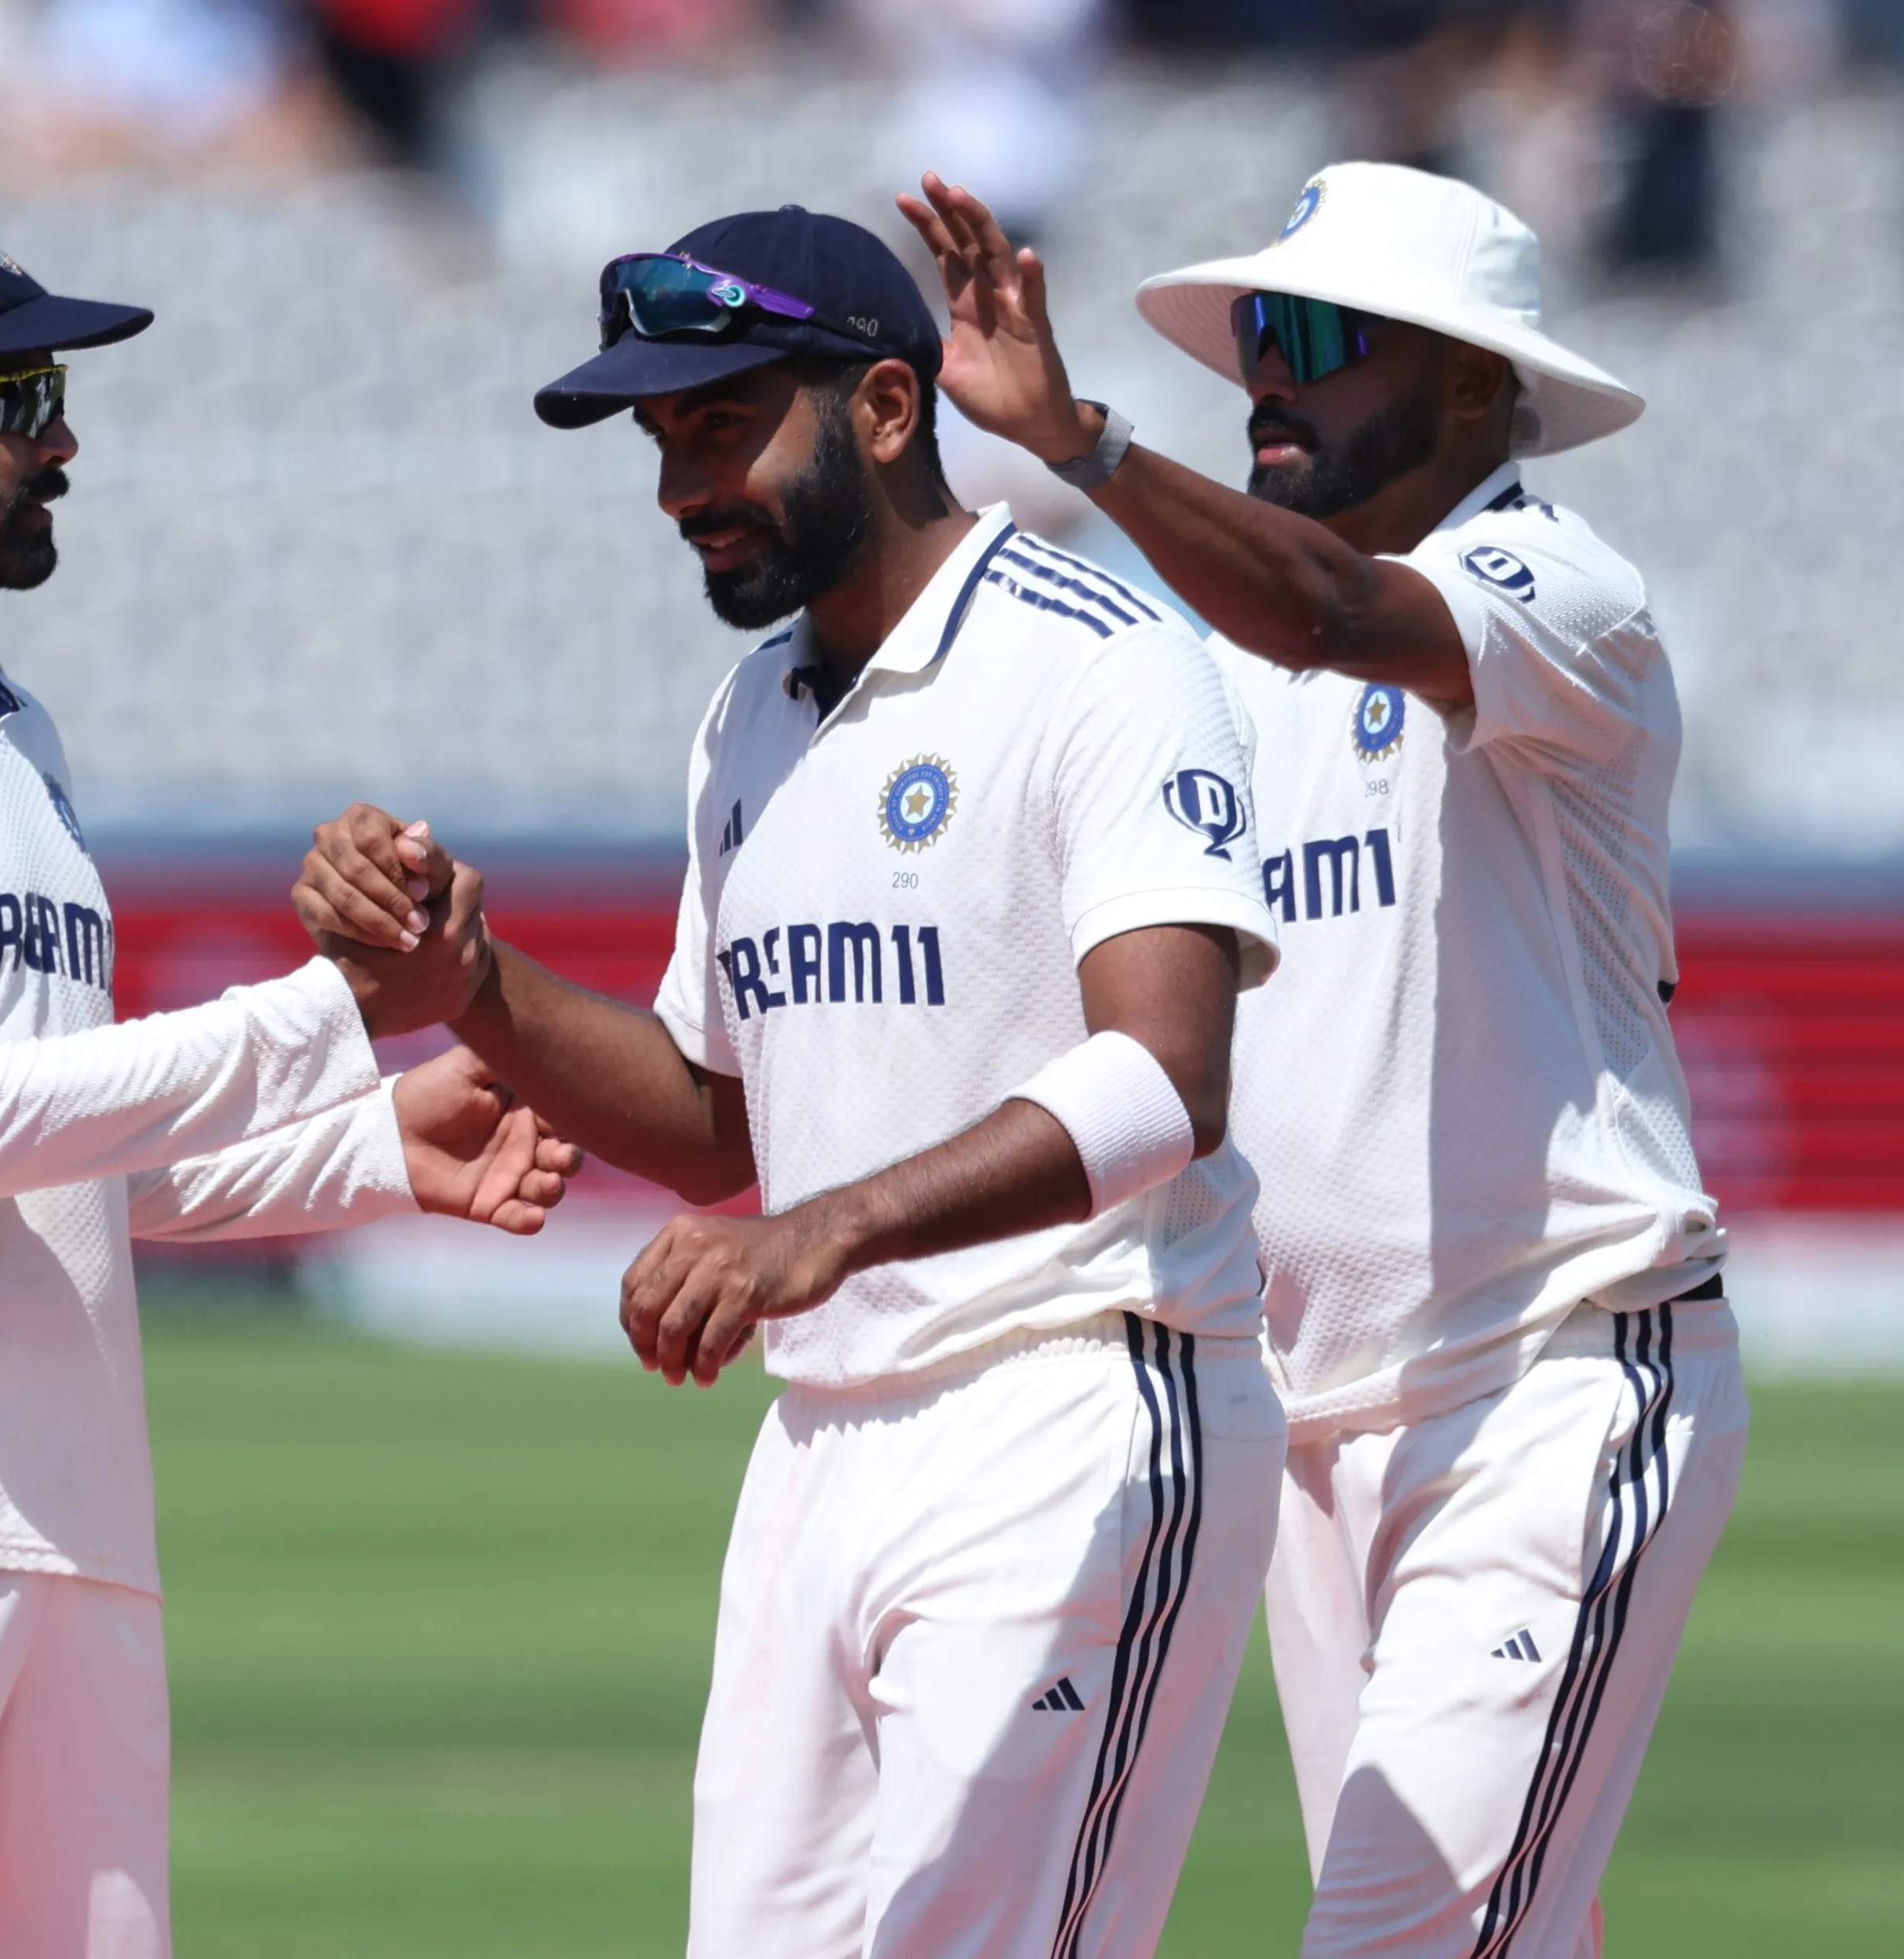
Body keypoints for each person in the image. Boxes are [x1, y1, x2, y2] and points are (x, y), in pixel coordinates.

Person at [295, 206, 1289, 1958]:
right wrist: (470, 975)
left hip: (1070, 1407)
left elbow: (1169, 1079)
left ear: (888, 408)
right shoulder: (751, 712)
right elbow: (716, 1126)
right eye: (665, 442)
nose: (682, 485)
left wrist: (823, 1233)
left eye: (723, 424)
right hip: (824, 1443)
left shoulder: (1102, 659)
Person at [0, 202, 578, 1959]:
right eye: (10, 391)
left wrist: (365, 1149)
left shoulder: (2, 722)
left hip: (64, 1527)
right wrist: (330, 1017)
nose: (60, 436)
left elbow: (50, 1153)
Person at [903, 162, 1746, 1957]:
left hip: (1548, 1383)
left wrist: (1094, 448)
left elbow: (1338, 615)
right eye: (1255, 339)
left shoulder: (1556, 584)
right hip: (1314, 1421)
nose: (1264, 375)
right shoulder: (1223, 668)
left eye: (1315, 339)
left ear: (1466, 385)